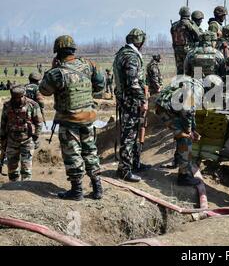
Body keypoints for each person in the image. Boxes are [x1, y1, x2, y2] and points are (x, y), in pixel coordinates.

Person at [39, 35, 104, 200]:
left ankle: (76, 191)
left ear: (58, 53)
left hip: (70, 120)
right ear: (73, 50)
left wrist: (52, 69)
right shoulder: (89, 65)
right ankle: (97, 188)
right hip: (89, 117)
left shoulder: (57, 73)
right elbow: (100, 85)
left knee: (72, 154)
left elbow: (44, 90)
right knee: (90, 151)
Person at [113, 28, 150, 182]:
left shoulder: (123, 53)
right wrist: (143, 100)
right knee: (129, 135)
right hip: (131, 101)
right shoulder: (131, 57)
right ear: (139, 41)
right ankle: (124, 170)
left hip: (127, 99)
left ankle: (135, 163)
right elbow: (132, 83)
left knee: (133, 132)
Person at [155, 78, 204, 185]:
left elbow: (190, 113)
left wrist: (193, 129)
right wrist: (189, 131)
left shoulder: (191, 83)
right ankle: (184, 176)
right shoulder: (198, 89)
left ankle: (178, 161)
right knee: (185, 138)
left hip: (165, 107)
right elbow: (187, 111)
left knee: (183, 133)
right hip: (166, 110)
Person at [0, 86, 43, 182]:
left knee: (26, 169)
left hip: (27, 140)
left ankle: (25, 188)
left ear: (23, 95)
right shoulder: (7, 105)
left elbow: (39, 123)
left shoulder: (32, 105)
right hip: (11, 141)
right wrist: (2, 139)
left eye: (19, 97)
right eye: (14, 97)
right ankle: (13, 189)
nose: (17, 100)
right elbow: (3, 123)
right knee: (12, 169)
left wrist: (35, 137)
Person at [170, 7, 201, 75]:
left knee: (180, 69)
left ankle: (179, 84)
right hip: (188, 49)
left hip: (177, 50)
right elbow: (198, 35)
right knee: (193, 69)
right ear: (188, 14)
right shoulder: (188, 23)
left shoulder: (174, 25)